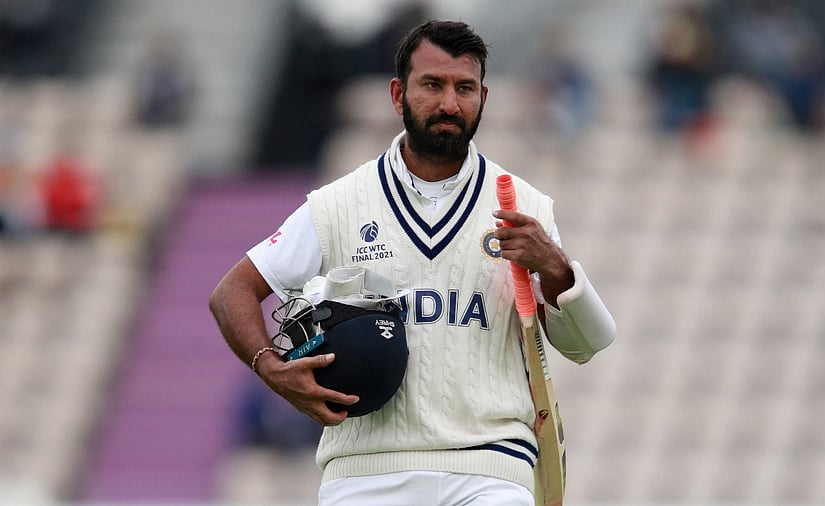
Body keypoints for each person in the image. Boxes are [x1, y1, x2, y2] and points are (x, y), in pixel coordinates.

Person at [209, 20, 616, 505]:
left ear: (484, 97)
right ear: (398, 94)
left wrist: (554, 266)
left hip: (489, 468)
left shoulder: (524, 205)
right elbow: (231, 293)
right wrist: (271, 367)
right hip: (364, 470)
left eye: (465, 88)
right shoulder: (337, 205)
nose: (449, 103)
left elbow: (586, 344)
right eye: (432, 84)